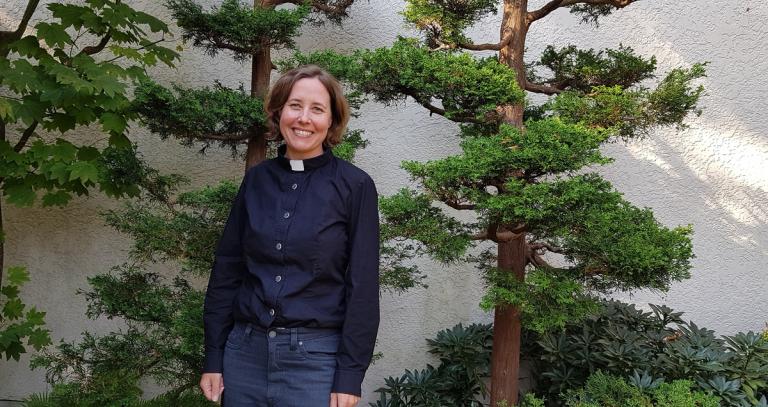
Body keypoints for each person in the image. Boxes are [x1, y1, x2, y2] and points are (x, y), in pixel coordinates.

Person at [199, 65, 380, 407]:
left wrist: (349, 376)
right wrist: (214, 357)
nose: (304, 119)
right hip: (243, 358)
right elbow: (227, 271)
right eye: (295, 105)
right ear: (279, 111)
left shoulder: (355, 186)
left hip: (315, 363)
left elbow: (363, 288)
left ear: (332, 120)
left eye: (317, 109)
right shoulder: (256, 181)